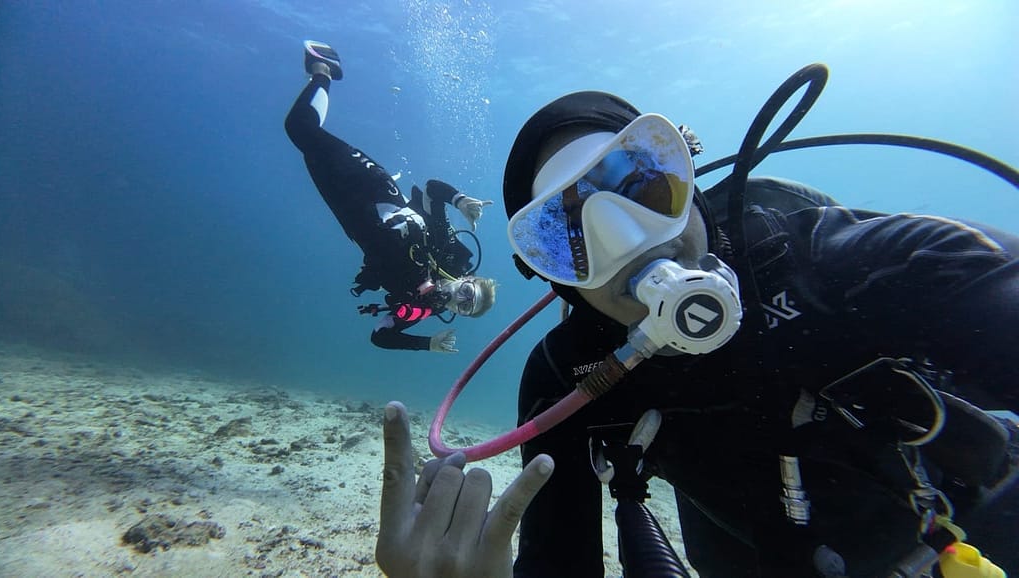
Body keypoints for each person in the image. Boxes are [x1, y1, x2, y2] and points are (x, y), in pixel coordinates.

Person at [376, 77, 1019, 576]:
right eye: (569, 235)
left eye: (643, 186)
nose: (628, 242)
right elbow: (557, 564)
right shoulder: (568, 379)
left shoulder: (836, 264)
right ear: (550, 276)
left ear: (689, 178)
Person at [284, 41, 497, 353]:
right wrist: (461, 200)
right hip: (372, 184)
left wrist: (427, 344)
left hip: (345, 210)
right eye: (467, 292)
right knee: (300, 129)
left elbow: (380, 334)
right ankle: (324, 69)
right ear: (469, 279)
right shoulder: (447, 251)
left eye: (463, 307)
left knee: (307, 145)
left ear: (456, 314)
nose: (458, 299)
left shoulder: (420, 308)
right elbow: (432, 191)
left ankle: (322, 73)